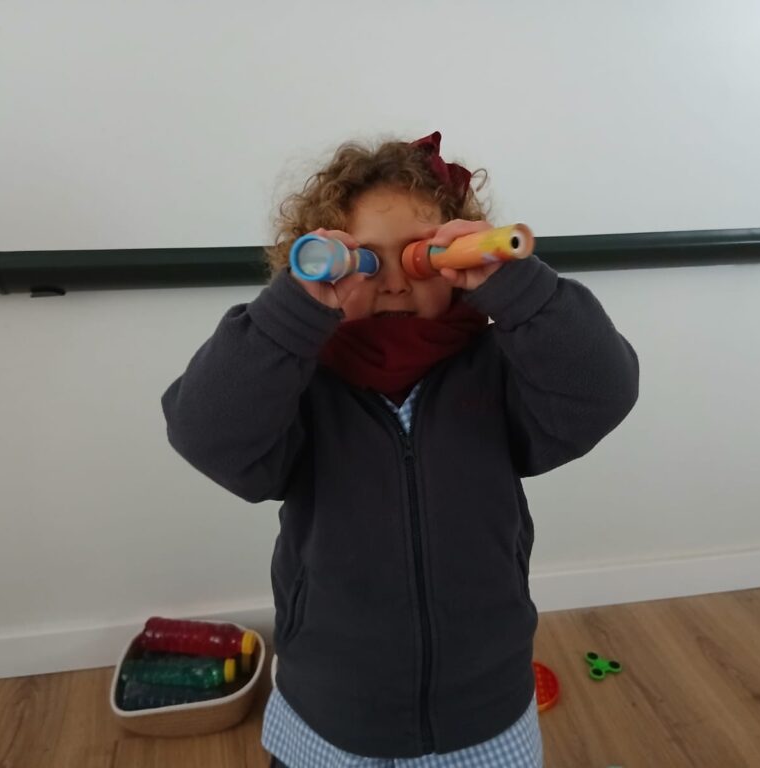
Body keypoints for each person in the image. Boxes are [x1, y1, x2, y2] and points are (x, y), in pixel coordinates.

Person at [161, 131, 640, 766]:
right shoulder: (297, 383)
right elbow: (205, 431)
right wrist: (288, 314)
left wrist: (519, 289)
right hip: (332, 706)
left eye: (420, 259)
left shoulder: (498, 369)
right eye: (364, 262)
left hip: (484, 703)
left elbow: (601, 390)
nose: (392, 284)